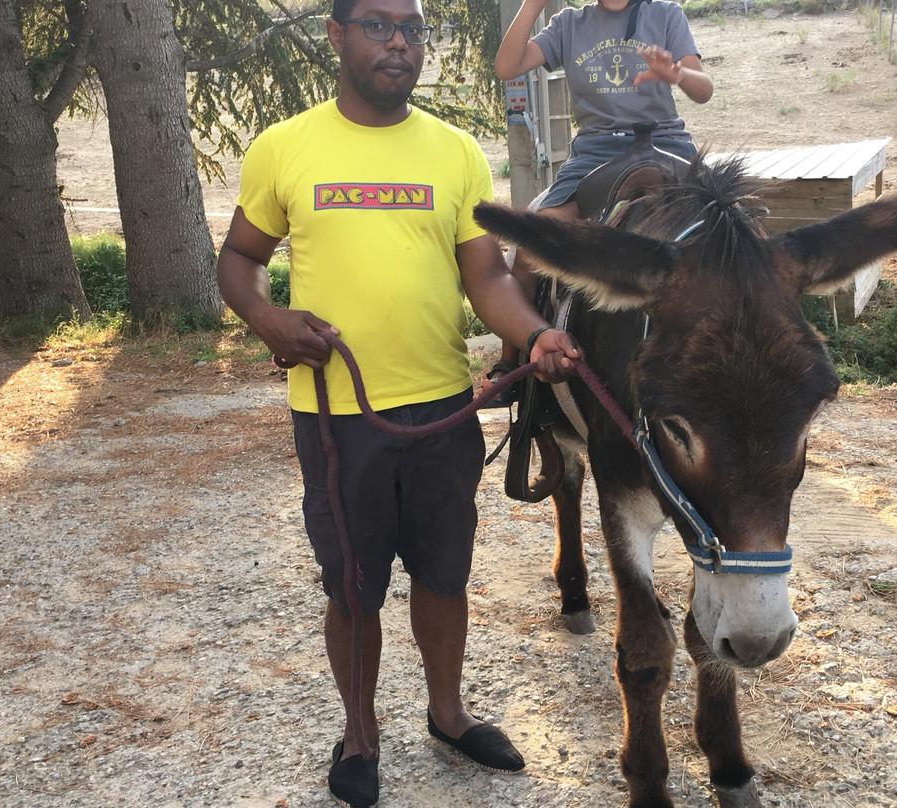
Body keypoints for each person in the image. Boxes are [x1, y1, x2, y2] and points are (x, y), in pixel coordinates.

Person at [216, 0, 582, 806]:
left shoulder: (454, 152)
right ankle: (359, 734)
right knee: (353, 586)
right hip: (337, 418)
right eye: (379, 25)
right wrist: (270, 319)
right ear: (336, 35)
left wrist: (534, 335)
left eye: (412, 29)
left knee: (445, 574)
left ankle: (448, 715)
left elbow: (486, 276)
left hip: (443, 411)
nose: (399, 43)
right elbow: (239, 258)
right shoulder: (285, 147)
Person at [483, 0, 713, 404]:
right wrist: (533, 5)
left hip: (666, 144)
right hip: (595, 153)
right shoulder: (569, 23)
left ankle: (764, 346)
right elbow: (506, 67)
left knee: (739, 228)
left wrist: (675, 73)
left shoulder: (665, 14)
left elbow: (703, 90)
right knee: (534, 241)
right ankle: (511, 364)